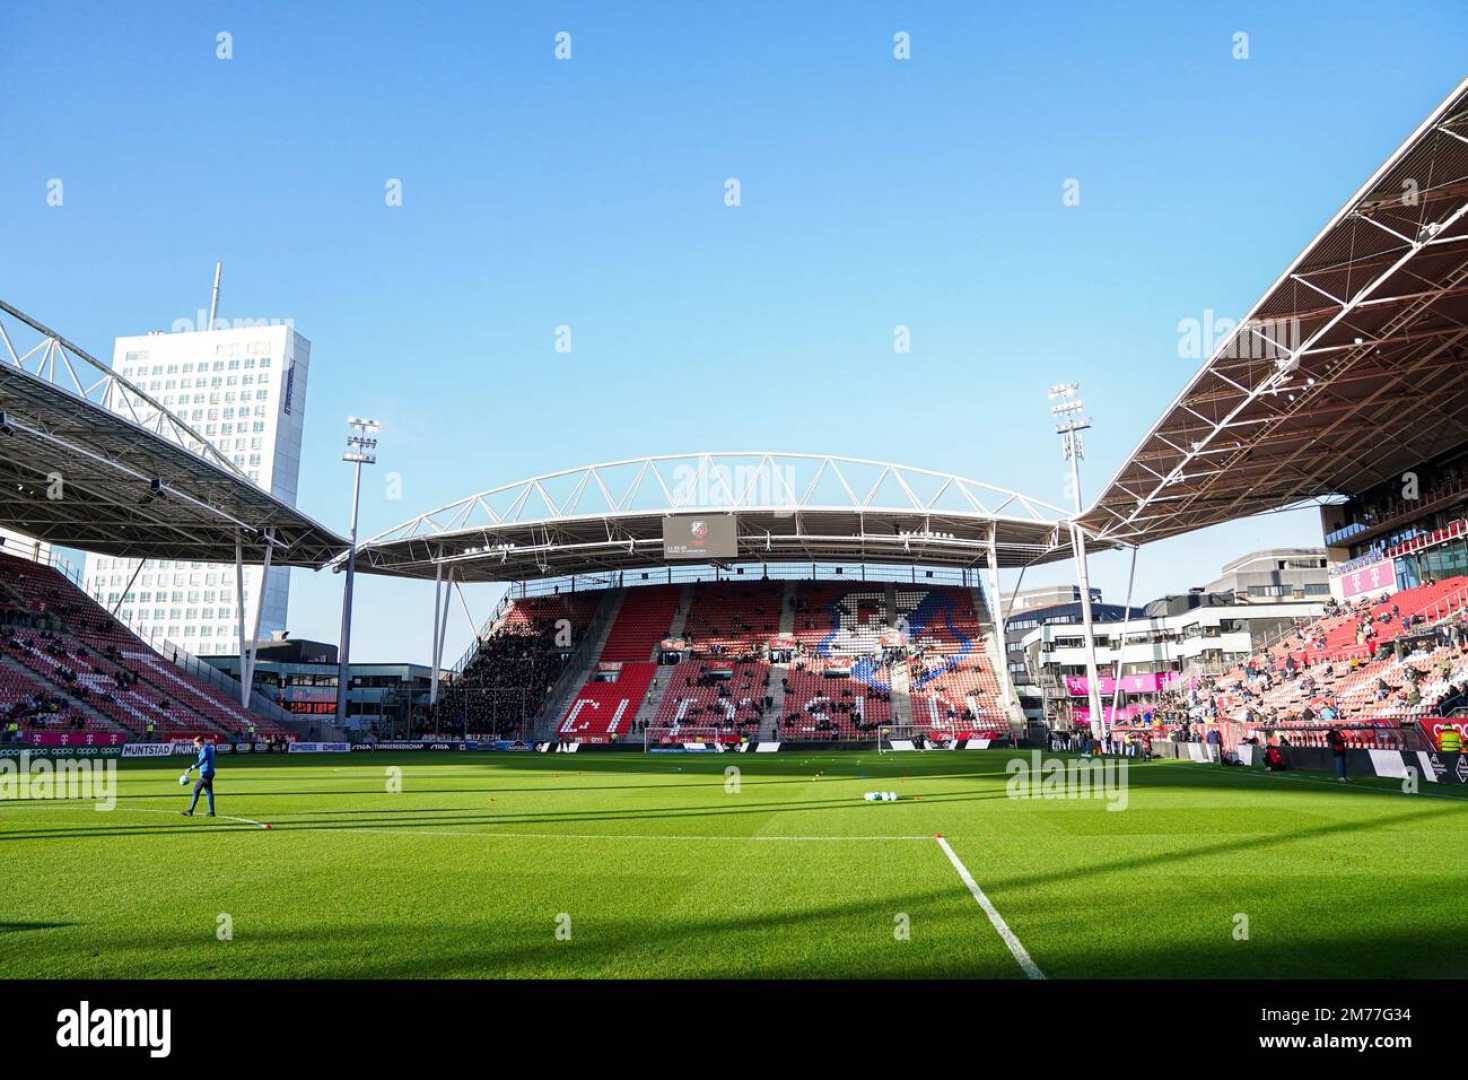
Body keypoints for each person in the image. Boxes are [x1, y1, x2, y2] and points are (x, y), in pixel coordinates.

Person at [180, 736, 217, 817]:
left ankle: (190, 811)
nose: (195, 745)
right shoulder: (206, 749)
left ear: (200, 742)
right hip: (209, 773)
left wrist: (192, 767)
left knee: (196, 791)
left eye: (195, 743)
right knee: (209, 792)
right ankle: (211, 812)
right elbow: (203, 760)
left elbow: (203, 760)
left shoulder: (205, 749)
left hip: (205, 774)